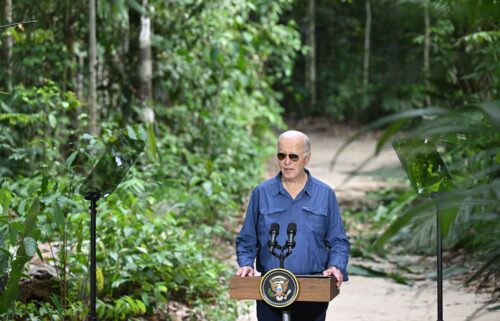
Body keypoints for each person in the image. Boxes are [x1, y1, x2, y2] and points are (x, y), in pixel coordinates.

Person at [235, 130, 350, 321]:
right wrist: (246, 263)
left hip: (313, 288)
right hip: (270, 288)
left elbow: (338, 241)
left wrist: (335, 266)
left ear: (307, 158)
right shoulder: (261, 193)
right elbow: (247, 239)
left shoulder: (324, 194)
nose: (287, 162)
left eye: (293, 156)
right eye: (282, 155)